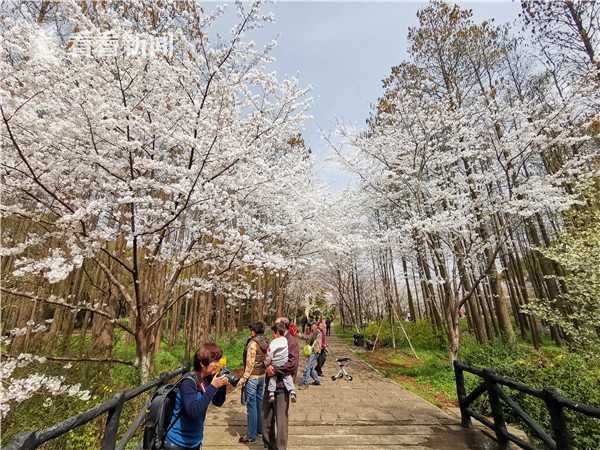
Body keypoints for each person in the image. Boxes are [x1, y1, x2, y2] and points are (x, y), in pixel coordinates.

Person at [165, 343, 228, 450]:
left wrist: (222, 384)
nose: (218, 364)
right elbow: (193, 412)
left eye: (218, 361)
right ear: (203, 364)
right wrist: (213, 387)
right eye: (215, 361)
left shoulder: (207, 379)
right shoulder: (188, 382)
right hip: (177, 443)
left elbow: (218, 402)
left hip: (195, 441)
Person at [262, 317, 299, 450]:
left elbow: (292, 365)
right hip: (270, 384)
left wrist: (275, 370)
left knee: (281, 420)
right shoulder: (275, 340)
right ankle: (269, 445)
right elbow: (267, 357)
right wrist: (267, 367)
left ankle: (280, 447)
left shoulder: (292, 342)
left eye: (276, 325)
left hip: (282, 387)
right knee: (266, 417)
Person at [238, 322, 269, 444]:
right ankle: (260, 430)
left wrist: (243, 378)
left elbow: (250, 364)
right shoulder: (266, 341)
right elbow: (268, 359)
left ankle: (251, 435)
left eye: (251, 330)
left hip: (252, 378)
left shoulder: (253, 344)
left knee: (251, 407)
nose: (250, 332)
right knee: (259, 404)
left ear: (254, 331)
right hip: (262, 376)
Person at [265, 322, 297, 403]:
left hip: (276, 366)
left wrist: (268, 364)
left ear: (277, 332)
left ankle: (271, 393)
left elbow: (270, 354)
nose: (272, 335)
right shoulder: (285, 340)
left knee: (272, 376)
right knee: (287, 377)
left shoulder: (275, 342)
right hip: (283, 363)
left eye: (273, 333)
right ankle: (292, 391)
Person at [299, 322, 321, 388]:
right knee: (311, 368)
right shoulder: (312, 333)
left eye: (314, 326)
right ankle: (317, 380)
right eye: (312, 326)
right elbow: (308, 338)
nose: (312, 327)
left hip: (314, 352)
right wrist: (301, 336)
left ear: (316, 327)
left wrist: (311, 347)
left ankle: (305, 383)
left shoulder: (317, 333)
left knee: (307, 367)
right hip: (312, 352)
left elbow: (314, 341)